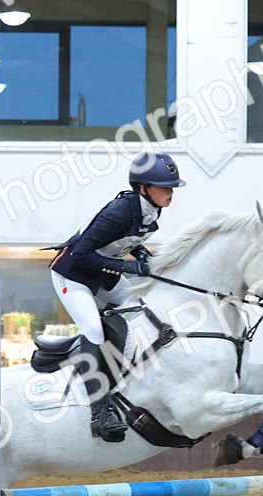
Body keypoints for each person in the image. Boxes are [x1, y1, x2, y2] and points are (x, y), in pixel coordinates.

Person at [47, 151, 185, 442]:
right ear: (142, 188)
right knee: (93, 329)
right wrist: (128, 266)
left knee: (143, 311)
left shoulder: (151, 210)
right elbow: (82, 254)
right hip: (72, 275)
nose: (170, 192)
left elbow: (126, 243)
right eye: (164, 187)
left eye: (172, 187)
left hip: (102, 275)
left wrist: (147, 259)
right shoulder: (119, 211)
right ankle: (99, 413)